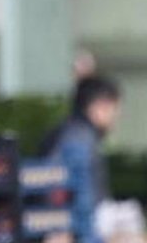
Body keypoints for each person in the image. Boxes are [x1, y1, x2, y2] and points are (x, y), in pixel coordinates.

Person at [40, 75, 122, 203]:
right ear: (100, 105)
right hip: (78, 219)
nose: (116, 116)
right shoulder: (80, 137)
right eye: (114, 108)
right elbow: (54, 187)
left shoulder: (72, 131)